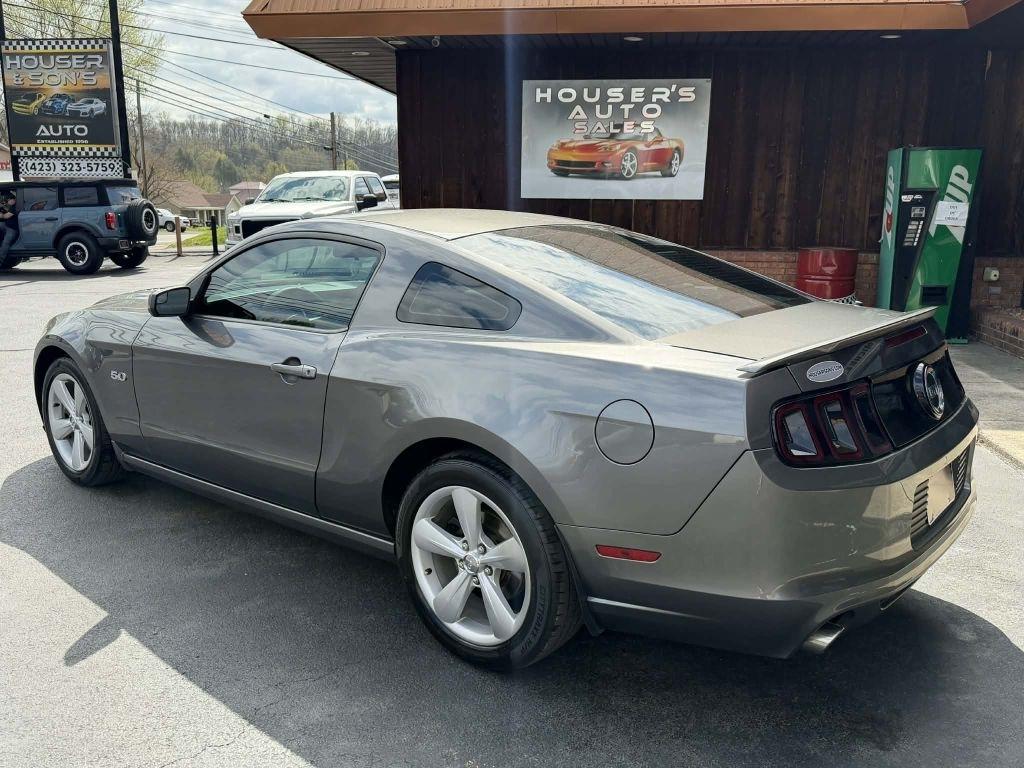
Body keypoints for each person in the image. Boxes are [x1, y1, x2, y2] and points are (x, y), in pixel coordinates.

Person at [0, 192, 19, 262]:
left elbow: (5, 216)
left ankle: (0, 260)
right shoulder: (10, 207)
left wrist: (1, 213)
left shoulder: (16, 207)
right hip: (6, 226)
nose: (7, 202)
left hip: (13, 229)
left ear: (13, 200)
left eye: (8, 200)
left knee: (6, 243)